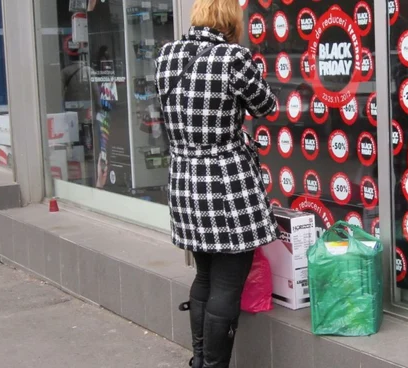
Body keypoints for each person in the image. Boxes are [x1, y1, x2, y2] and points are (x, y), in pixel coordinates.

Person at [154, 0, 278, 367]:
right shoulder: (232, 58)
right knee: (227, 283)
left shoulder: (166, 55)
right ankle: (213, 365)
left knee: (205, 275)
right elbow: (266, 106)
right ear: (229, 19)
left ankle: (199, 361)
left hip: (185, 183)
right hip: (226, 185)